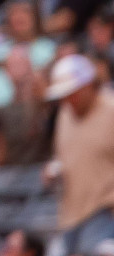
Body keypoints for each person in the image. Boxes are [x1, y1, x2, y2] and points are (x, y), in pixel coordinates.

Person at [49, 54, 114, 250]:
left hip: (105, 211)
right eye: (63, 96)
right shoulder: (64, 114)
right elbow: (62, 157)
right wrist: (53, 171)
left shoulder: (111, 110)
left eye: (72, 93)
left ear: (88, 85)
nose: (68, 100)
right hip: (70, 214)